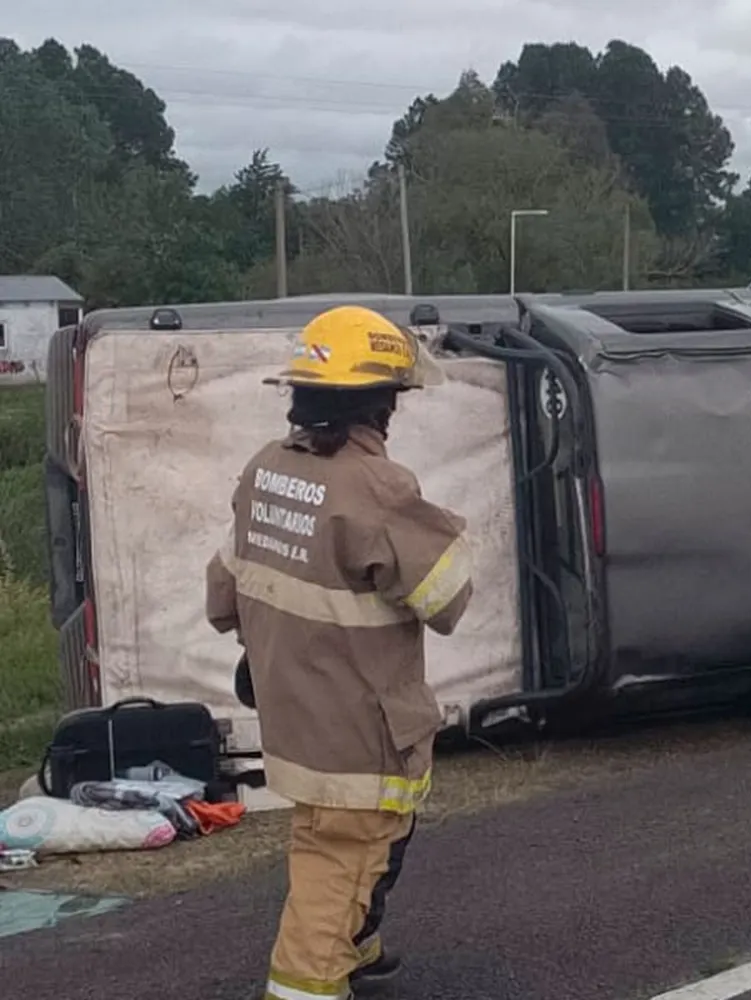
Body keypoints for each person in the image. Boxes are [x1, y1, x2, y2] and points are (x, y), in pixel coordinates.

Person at [205, 304, 474, 998]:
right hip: (363, 729)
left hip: (294, 717)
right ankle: (310, 981)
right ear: (382, 403)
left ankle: (358, 942)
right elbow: (447, 599)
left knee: (355, 839)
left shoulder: (264, 469)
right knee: (341, 859)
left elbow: (222, 597)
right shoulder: (378, 487)